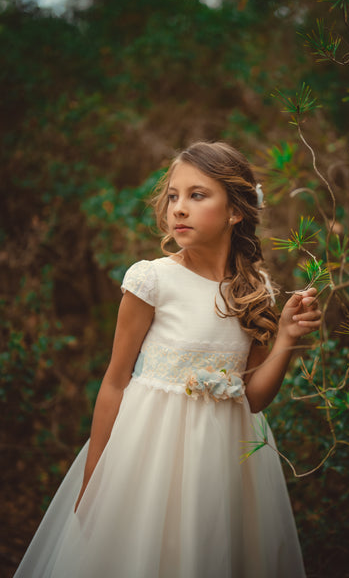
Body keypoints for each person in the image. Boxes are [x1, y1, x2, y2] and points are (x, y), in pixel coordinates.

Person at [15, 141, 321, 578]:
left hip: (223, 462)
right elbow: (115, 381)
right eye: (173, 196)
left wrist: (288, 337)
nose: (179, 208)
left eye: (198, 195)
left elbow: (253, 398)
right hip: (148, 457)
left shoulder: (256, 293)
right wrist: (92, 481)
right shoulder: (152, 279)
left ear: (236, 210)